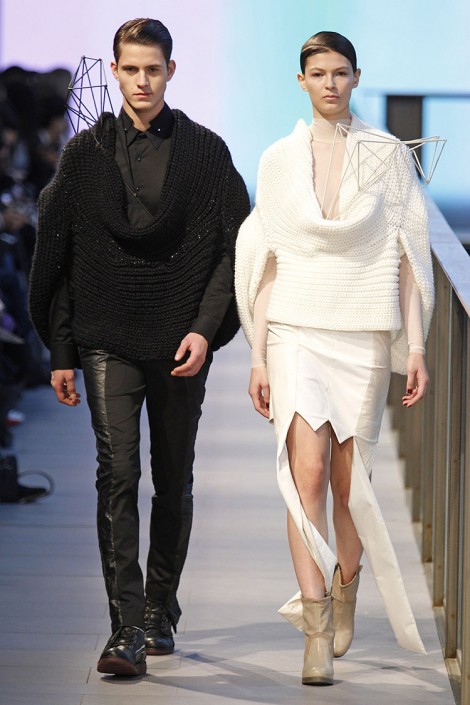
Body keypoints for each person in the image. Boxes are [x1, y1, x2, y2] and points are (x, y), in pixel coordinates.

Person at [29, 18, 249, 677]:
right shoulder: (85, 155)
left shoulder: (205, 153)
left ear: (171, 71)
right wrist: (62, 351)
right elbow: (61, 255)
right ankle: (124, 628)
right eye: (131, 69)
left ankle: (159, 609)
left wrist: (204, 328)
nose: (143, 80)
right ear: (116, 71)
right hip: (106, 337)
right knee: (117, 473)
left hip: (180, 339)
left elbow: (232, 249)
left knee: (173, 477)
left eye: (153, 69)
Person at [235, 31, 434, 686]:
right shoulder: (277, 160)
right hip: (296, 328)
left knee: (352, 489)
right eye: (318, 73)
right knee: (309, 475)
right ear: (301, 80)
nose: (329, 83)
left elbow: (408, 257)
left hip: (362, 332)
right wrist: (258, 356)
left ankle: (346, 588)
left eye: (340, 72)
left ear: (355, 77)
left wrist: (417, 346)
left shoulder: (388, 156)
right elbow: (268, 262)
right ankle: (316, 629)